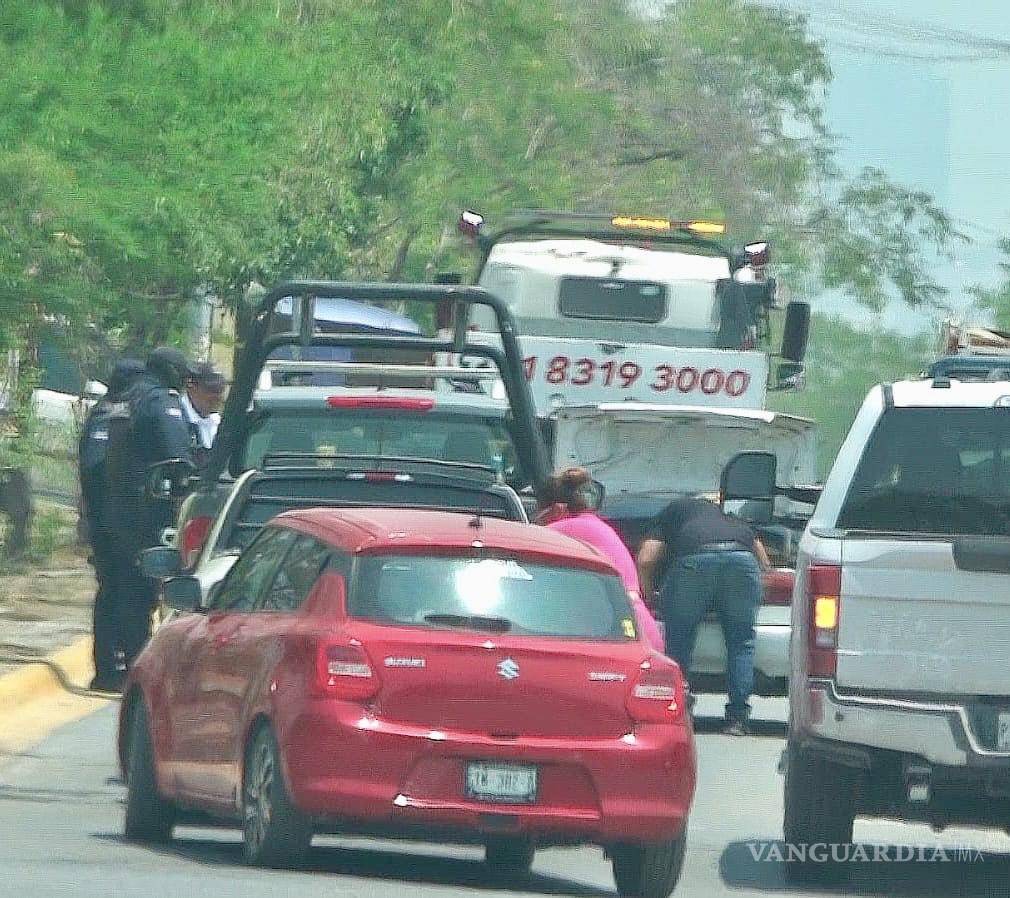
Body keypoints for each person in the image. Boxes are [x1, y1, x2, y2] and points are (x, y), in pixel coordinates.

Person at [637, 495, 771, 735]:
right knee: (741, 641)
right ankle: (737, 718)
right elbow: (762, 559)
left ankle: (679, 708)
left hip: (694, 562)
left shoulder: (672, 513)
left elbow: (647, 560)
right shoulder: (731, 520)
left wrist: (647, 595)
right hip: (742, 560)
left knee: (680, 638)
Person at [103, 347, 194, 685]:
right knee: (145, 592)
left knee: (128, 590)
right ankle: (143, 670)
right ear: (169, 371)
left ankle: (129, 667)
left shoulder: (128, 399)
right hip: (151, 509)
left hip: (122, 508)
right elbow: (178, 458)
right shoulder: (160, 401)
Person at [537, 468, 664, 652]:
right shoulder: (598, 526)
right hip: (641, 629)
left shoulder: (564, 528)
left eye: (541, 514)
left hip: (618, 633)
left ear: (557, 509)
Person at [78, 358, 146, 691]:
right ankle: (108, 669)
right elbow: (96, 467)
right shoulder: (108, 416)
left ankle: (116, 665)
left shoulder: (118, 413)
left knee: (121, 591)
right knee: (115, 592)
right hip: (108, 522)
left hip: (113, 519)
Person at [181, 361, 227, 469]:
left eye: (221, 390)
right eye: (212, 390)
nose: (218, 397)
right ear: (191, 386)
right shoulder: (177, 420)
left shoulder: (218, 422)